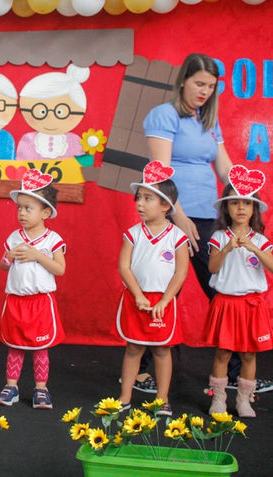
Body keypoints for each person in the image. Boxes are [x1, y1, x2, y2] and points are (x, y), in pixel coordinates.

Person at [141, 52, 273, 394]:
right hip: (174, 216)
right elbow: (161, 174)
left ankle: (236, 375)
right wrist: (179, 216)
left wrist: (246, 194)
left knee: (224, 290)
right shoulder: (164, 115)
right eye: (199, 83)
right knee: (164, 290)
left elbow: (225, 168)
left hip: (208, 217)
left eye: (211, 86)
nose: (204, 91)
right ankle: (141, 373)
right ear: (183, 81)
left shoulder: (207, 120)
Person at [116, 162, 189, 417]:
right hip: (136, 298)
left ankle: (162, 399)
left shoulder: (177, 236)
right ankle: (125, 397)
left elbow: (180, 272)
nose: (140, 203)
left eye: (148, 198)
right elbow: (124, 266)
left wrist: (165, 300)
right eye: (139, 198)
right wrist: (138, 295)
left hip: (162, 302)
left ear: (166, 205)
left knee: (161, 350)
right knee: (133, 348)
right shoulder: (133, 233)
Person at [204, 167, 273, 418]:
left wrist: (254, 249)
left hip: (251, 304)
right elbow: (212, 268)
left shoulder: (260, 239)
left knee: (248, 353)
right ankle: (219, 399)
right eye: (235, 203)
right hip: (226, 303)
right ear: (226, 208)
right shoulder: (218, 236)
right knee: (223, 352)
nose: (241, 208)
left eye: (247, 203)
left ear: (254, 209)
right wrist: (227, 248)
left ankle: (244, 400)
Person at [0, 169, 65, 410]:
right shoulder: (14, 237)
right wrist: (9, 257)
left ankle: (41, 389)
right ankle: (11, 387)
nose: (22, 213)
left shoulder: (52, 239)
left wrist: (38, 256)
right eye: (19, 208)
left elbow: (60, 269)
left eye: (28, 208)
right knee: (15, 345)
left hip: (40, 301)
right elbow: (3, 265)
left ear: (45, 212)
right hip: (16, 300)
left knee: (40, 348)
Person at [16, 64, 89, 160]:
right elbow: (21, 162)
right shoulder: (28, 140)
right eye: (41, 111)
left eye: (60, 112)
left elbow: (81, 162)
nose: (50, 118)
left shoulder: (74, 141)